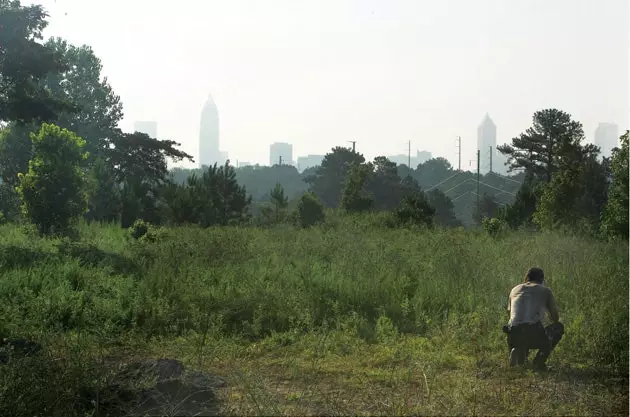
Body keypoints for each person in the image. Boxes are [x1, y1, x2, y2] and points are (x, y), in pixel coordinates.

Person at [503, 267, 564, 371]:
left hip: (513, 333)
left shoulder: (514, 289)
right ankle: (538, 363)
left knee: (520, 328)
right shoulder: (545, 290)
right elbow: (555, 318)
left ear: (526, 278)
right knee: (558, 327)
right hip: (532, 332)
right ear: (542, 279)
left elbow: (510, 313)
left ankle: (517, 350)